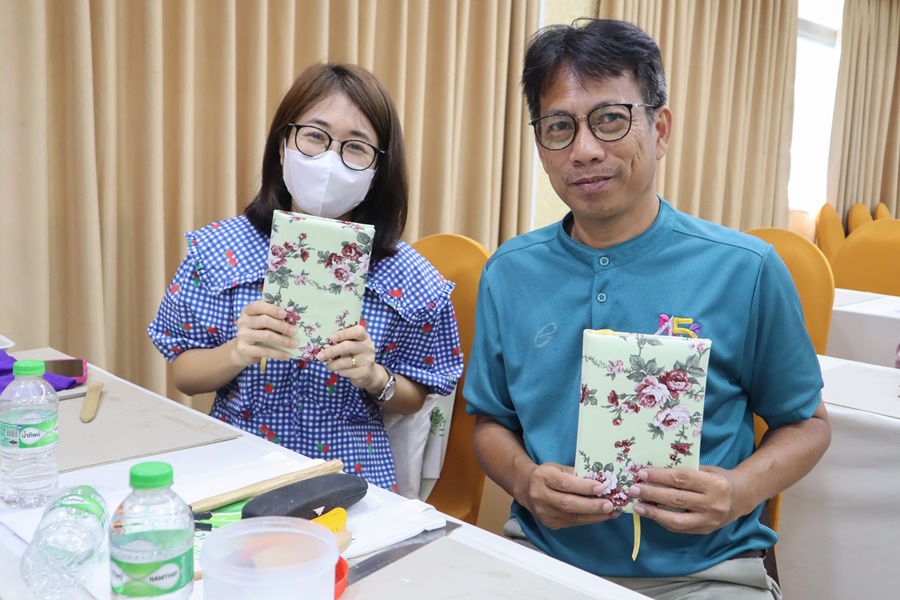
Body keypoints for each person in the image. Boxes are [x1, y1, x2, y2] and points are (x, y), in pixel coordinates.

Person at [464, 19, 831, 600]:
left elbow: (807, 423)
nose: (585, 150)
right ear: (540, 146)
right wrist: (527, 482)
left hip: (706, 575)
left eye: (610, 119)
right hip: (545, 561)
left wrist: (737, 491)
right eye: (559, 127)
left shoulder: (746, 269)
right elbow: (490, 422)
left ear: (659, 129)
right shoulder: (508, 273)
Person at [149, 63, 463, 491]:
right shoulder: (218, 250)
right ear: (283, 145)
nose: (330, 160)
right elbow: (184, 377)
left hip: (352, 475)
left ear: (378, 170)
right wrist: (238, 351)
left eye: (356, 146)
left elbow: (417, 397)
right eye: (315, 136)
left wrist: (374, 377)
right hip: (238, 466)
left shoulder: (413, 279)